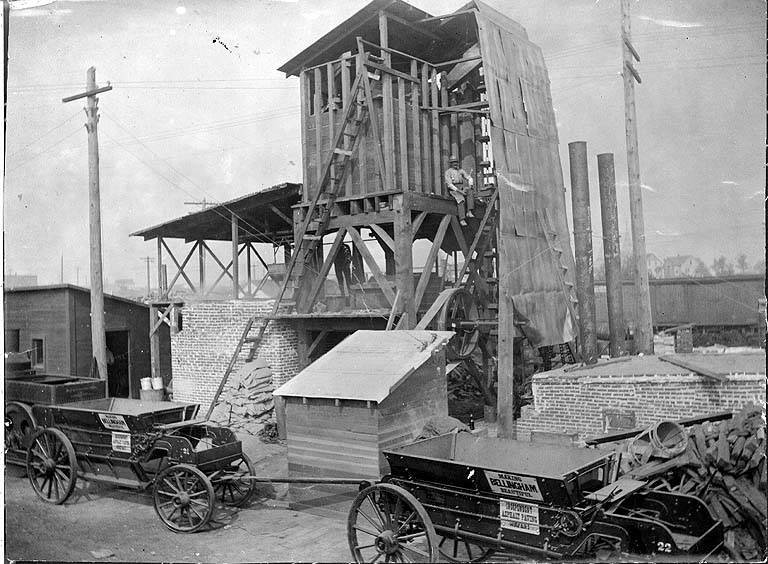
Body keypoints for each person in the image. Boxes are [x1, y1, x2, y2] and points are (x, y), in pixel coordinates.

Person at [445, 155, 474, 225]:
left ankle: (469, 211)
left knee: (470, 192)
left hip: (461, 187)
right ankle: (462, 219)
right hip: (453, 189)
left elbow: (469, 177)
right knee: (461, 199)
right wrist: (460, 191)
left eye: (456, 162)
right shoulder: (448, 172)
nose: (455, 164)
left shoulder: (461, 171)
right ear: (451, 164)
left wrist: (470, 184)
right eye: (453, 162)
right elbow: (450, 185)